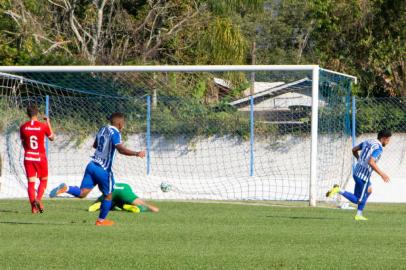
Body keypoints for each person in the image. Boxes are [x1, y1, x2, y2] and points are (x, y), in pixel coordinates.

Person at [50, 112, 145, 226]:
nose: (123, 125)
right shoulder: (115, 133)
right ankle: (101, 221)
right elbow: (120, 149)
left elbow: (95, 145)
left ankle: (66, 188)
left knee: (82, 193)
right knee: (108, 195)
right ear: (119, 123)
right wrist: (136, 153)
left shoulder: (102, 129)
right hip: (103, 169)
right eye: (123, 123)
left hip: (92, 165)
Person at [326, 129, 392, 221]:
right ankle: (338, 189)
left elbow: (354, 150)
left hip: (356, 171)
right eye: (388, 140)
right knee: (358, 200)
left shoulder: (368, 141)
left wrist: (359, 159)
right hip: (363, 176)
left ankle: (359, 214)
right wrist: (382, 174)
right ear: (384, 138)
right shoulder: (378, 148)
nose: (388, 142)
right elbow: (371, 162)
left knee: (369, 190)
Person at [20, 104, 55, 213]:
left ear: (27, 114)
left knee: (31, 183)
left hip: (28, 157)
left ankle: (33, 208)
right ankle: (38, 199)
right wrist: (48, 122)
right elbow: (52, 138)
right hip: (40, 157)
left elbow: (23, 142)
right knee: (43, 180)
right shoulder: (42, 126)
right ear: (37, 113)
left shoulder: (23, 127)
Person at [88, 182, 159, 213]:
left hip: (111, 190)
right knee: (140, 204)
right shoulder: (127, 187)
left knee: (111, 203)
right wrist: (151, 207)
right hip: (124, 190)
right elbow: (140, 201)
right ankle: (132, 207)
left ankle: (100, 205)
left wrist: (96, 202)